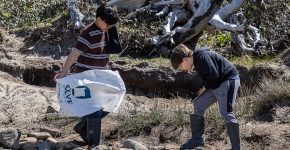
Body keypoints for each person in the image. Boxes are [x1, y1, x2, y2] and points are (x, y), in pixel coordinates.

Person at [53, 3, 122, 148]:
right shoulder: (88, 33)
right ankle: (94, 144)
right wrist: (63, 73)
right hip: (86, 78)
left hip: (101, 77)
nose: (109, 27)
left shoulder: (108, 29)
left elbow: (105, 52)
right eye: (107, 25)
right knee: (95, 109)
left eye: (111, 26)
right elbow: (75, 53)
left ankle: (82, 127)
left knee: (112, 100)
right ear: (99, 19)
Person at [171, 44, 241, 150]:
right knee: (198, 103)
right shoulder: (197, 61)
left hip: (227, 81)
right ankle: (197, 140)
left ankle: (236, 148)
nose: (182, 69)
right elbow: (209, 79)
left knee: (226, 113)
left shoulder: (202, 57)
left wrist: (203, 90)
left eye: (181, 66)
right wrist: (199, 93)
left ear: (185, 60)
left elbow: (214, 76)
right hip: (216, 84)